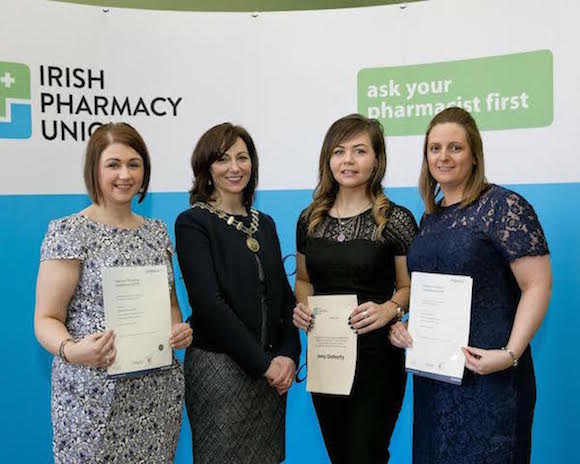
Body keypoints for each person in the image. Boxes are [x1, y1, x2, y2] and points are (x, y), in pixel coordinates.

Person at [389, 107, 552, 464]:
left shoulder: (504, 206)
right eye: (435, 148)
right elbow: (431, 289)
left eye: (455, 148)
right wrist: (405, 327)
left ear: (475, 155)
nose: (443, 157)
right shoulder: (430, 217)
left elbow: (538, 285)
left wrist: (510, 354)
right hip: (437, 380)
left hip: (491, 374)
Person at [34, 122, 192, 463]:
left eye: (134, 164)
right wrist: (72, 350)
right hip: (91, 396)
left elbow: (171, 306)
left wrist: (178, 331)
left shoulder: (157, 233)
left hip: (155, 397)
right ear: (94, 169)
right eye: (113, 164)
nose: (125, 174)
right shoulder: (69, 232)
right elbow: (46, 319)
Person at [292, 114, 418, 464]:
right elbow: (304, 281)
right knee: (339, 455)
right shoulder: (309, 219)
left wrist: (390, 308)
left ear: (377, 160)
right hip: (327, 355)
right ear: (327, 159)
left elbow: (409, 286)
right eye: (339, 151)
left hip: (377, 358)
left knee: (366, 454)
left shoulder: (395, 219)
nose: (347, 160)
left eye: (359, 151)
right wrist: (302, 307)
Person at [175, 122, 300, 464]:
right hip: (220, 371)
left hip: (272, 373)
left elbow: (284, 298)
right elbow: (208, 305)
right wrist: (263, 365)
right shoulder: (193, 223)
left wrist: (289, 354)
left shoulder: (266, 223)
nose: (234, 167)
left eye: (242, 158)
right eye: (223, 159)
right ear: (207, 169)